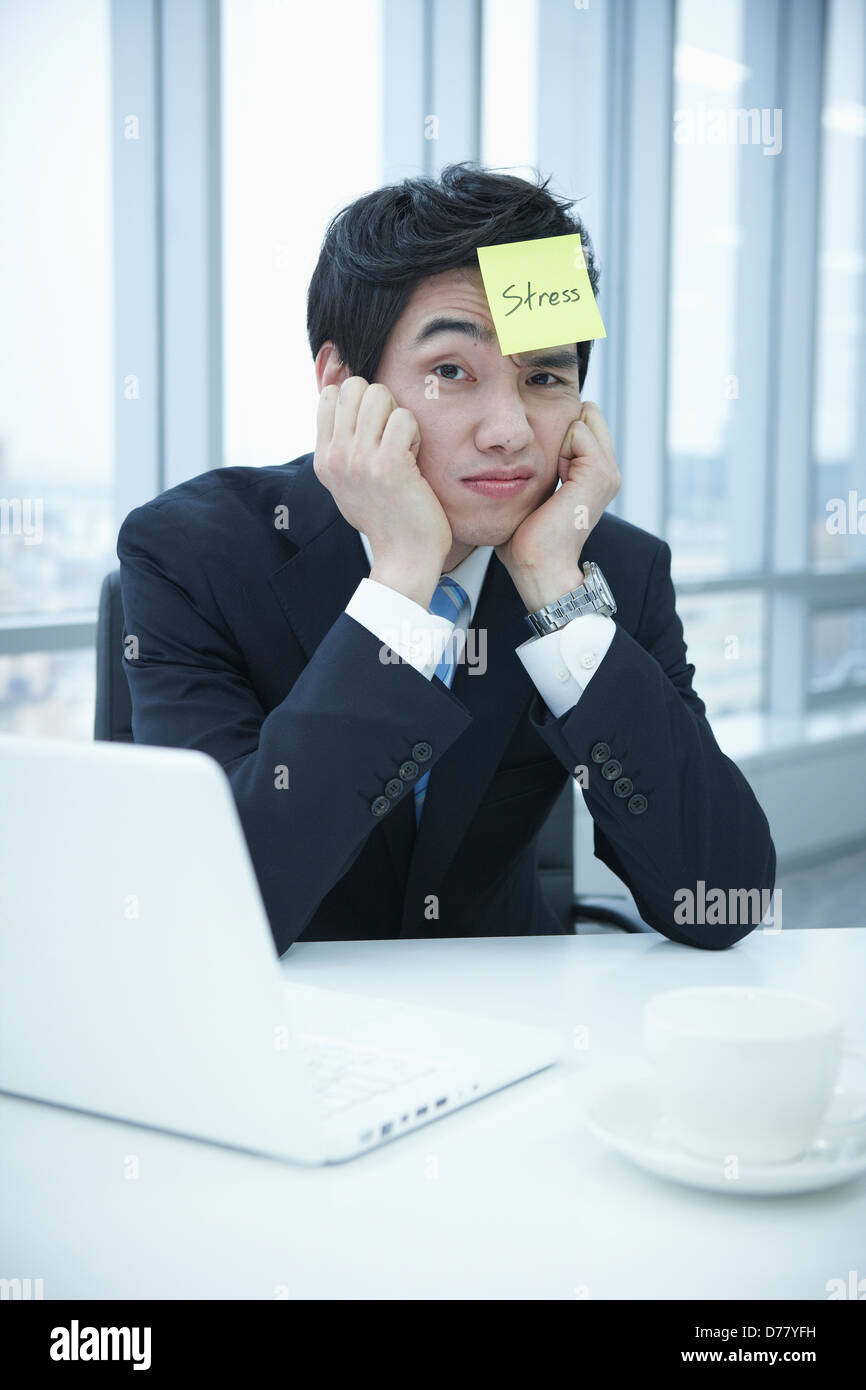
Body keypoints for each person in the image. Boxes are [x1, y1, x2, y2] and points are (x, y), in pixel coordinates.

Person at [117, 161, 775, 955]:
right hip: (274, 1025)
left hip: (515, 1030)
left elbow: (719, 897)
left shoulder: (608, 573)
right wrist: (402, 579)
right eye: (451, 373)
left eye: (543, 376)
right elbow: (220, 912)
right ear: (341, 384)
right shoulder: (195, 554)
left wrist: (556, 592)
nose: (508, 430)